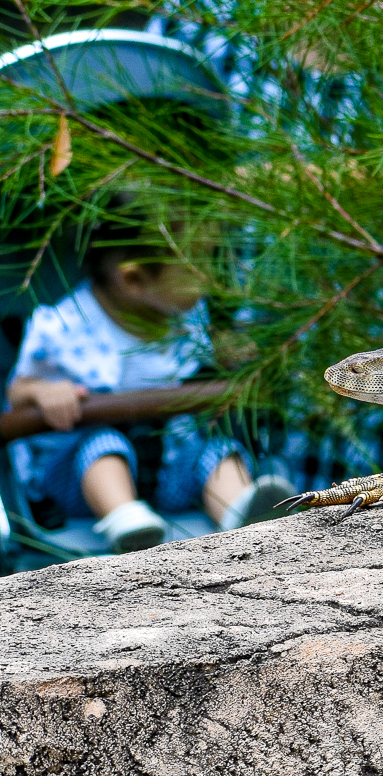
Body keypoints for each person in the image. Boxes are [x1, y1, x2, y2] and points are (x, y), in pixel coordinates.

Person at [5, 203, 289, 552]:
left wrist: (226, 354)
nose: (213, 279)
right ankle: (125, 520)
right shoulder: (63, 327)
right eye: (197, 269)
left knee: (216, 451)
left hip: (169, 465)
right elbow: (17, 392)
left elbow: (203, 360)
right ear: (135, 279)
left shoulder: (185, 314)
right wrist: (42, 391)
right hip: (80, 483)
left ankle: (241, 514)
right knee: (104, 445)